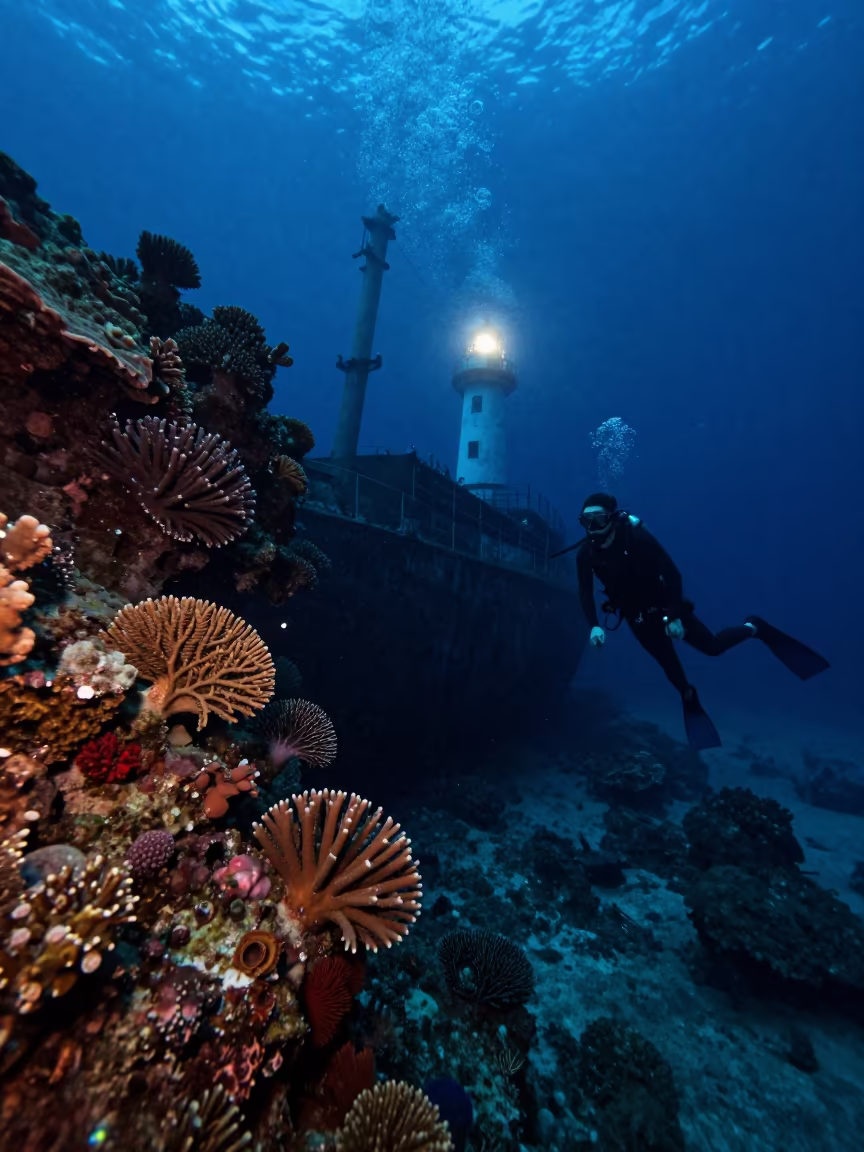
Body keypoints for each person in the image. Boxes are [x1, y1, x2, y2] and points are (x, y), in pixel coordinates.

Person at [575, 492, 830, 749]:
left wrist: (673, 616)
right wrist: (594, 625)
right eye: (587, 521)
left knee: (712, 648)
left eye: (599, 519)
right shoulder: (585, 554)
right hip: (636, 615)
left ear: (612, 518)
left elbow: (673, 575)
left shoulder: (638, 539)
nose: (593, 527)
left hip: (665, 605)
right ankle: (688, 696)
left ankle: (756, 628)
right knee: (668, 664)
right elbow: (585, 592)